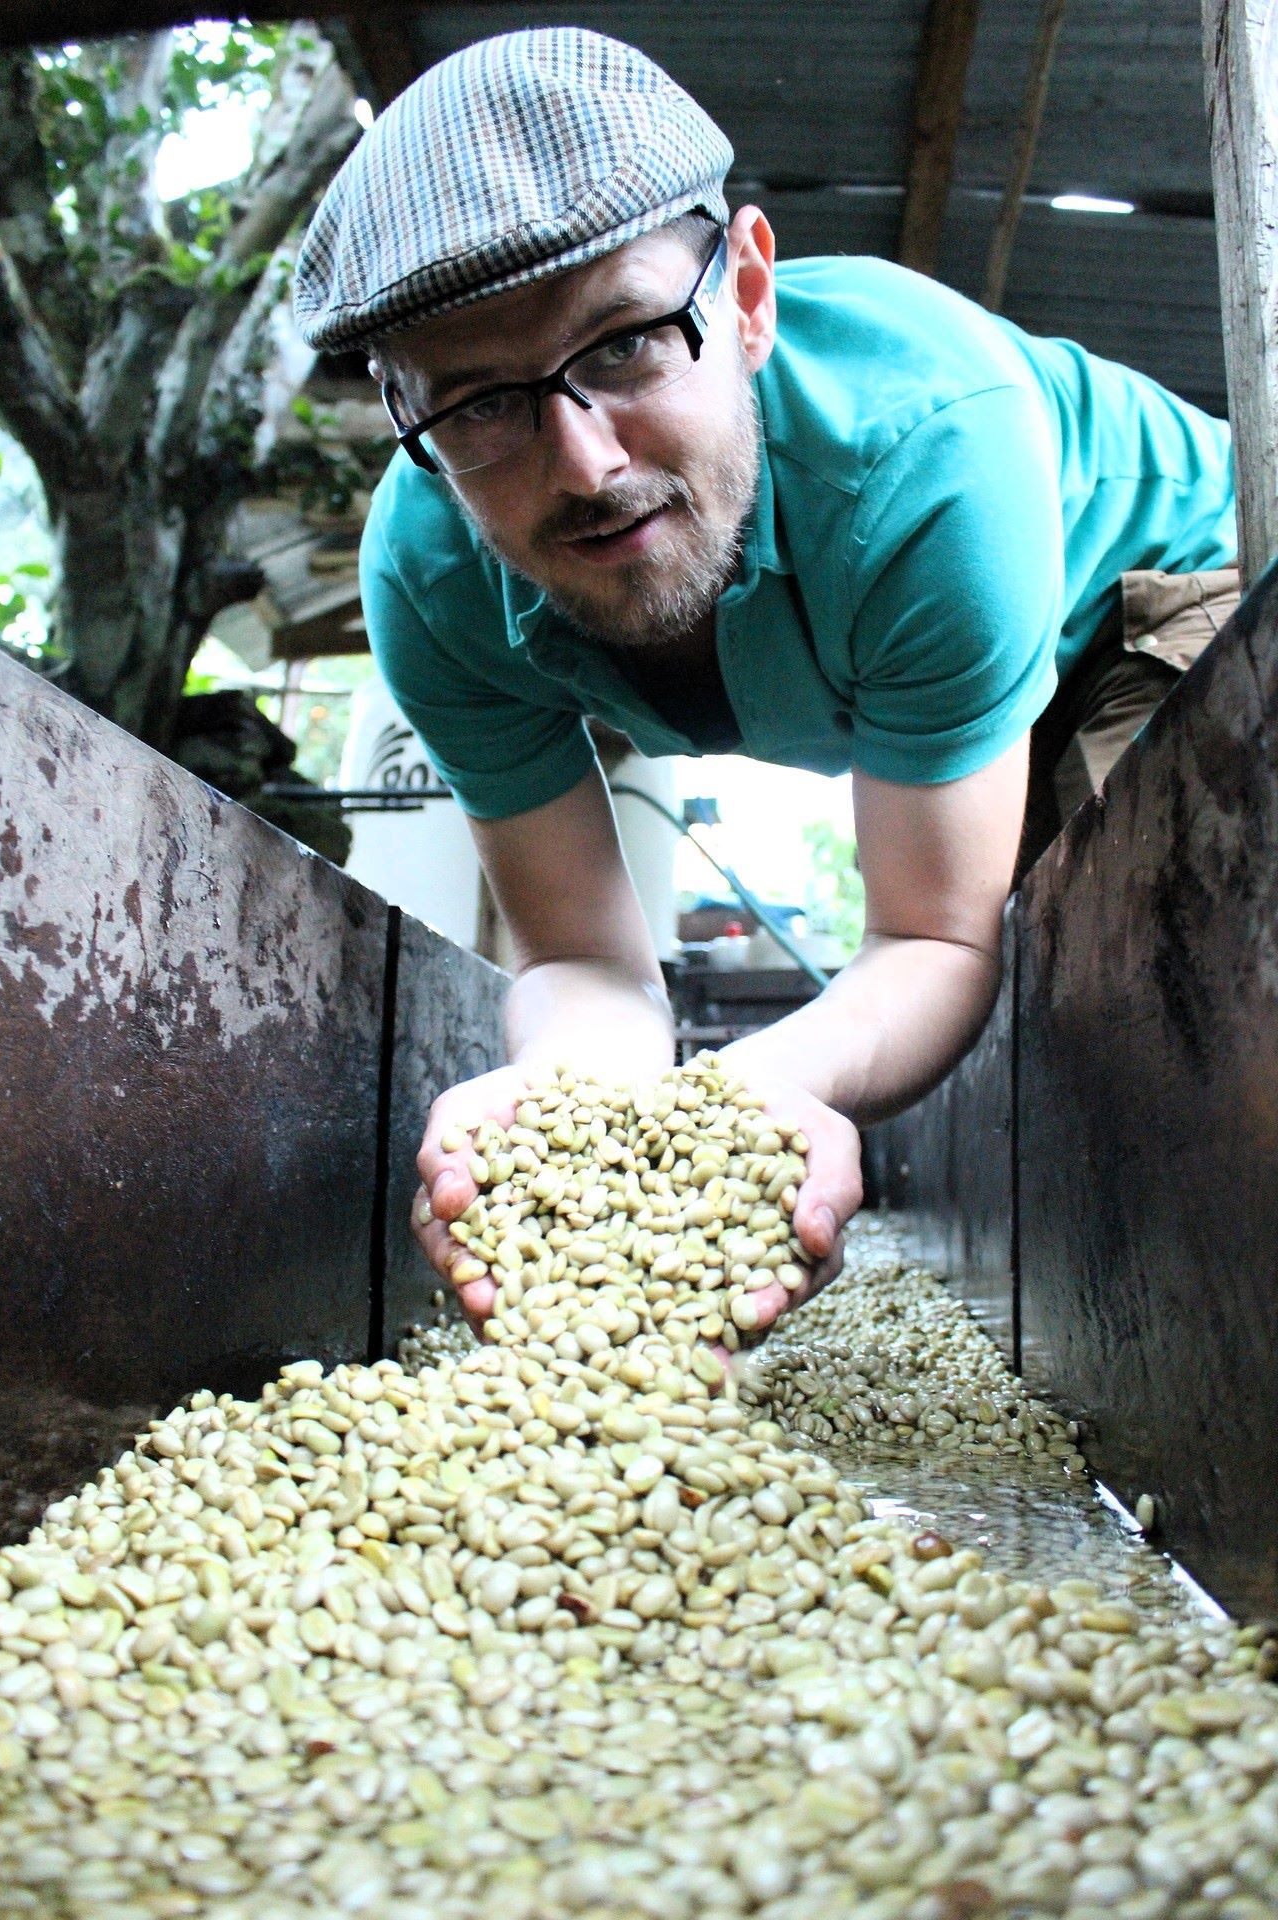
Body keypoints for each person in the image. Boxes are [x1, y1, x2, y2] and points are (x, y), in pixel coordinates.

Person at [294, 26, 1238, 1335]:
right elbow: (581, 955)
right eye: (479, 407)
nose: (583, 465)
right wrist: (572, 1125)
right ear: (413, 428)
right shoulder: (429, 580)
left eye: (623, 343)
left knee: (1131, 968)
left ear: (746, 295)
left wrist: (728, 1102)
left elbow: (927, 934)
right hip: (965, 694)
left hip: (1178, 603)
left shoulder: (929, 451)